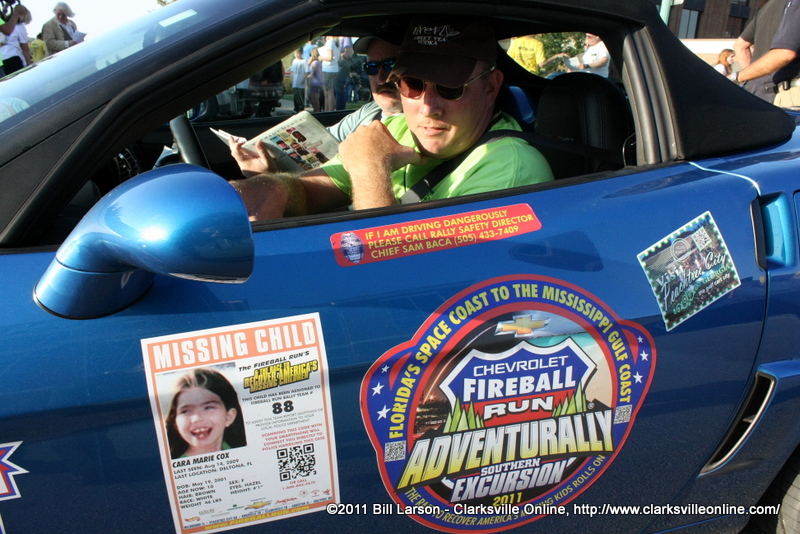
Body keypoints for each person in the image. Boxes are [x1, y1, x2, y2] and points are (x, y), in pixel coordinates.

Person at [228, 18, 553, 220]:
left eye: (450, 88)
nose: (427, 107)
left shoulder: (509, 171)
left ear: (490, 87)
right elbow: (310, 192)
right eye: (412, 85)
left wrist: (370, 167)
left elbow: (399, 277)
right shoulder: (397, 127)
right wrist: (272, 189)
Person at [325, 21, 405, 142]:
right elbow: (324, 138)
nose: (381, 79)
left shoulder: (425, 127)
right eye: (372, 67)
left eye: (391, 66)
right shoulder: (371, 110)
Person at [165, 367, 247, 459]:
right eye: (186, 411)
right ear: (175, 423)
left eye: (208, 408)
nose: (197, 418)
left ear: (229, 417)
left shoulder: (242, 453)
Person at [733, 0, 800, 108]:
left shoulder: (767, 8)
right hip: (786, 93)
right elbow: (784, 53)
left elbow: (740, 45)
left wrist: (747, 76)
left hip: (758, 90)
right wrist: (741, 76)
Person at [1, 5, 31, 75]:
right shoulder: (19, 27)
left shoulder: (3, 26)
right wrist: (29, 64)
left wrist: (5, 6)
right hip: (15, 58)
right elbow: (25, 48)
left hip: (3, 59)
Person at [319, 35, 341, 111]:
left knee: (328, 92)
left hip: (328, 69)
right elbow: (339, 58)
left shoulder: (330, 42)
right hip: (334, 69)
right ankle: (327, 110)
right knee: (328, 91)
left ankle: (329, 110)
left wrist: (321, 58)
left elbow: (330, 57)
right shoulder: (336, 43)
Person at [289, 47, 308, 113]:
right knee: (296, 95)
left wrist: (303, 79)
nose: (297, 55)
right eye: (296, 53)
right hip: (295, 81)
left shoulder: (304, 61)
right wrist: (291, 80)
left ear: (301, 53)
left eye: (298, 53)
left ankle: (301, 108)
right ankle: (296, 108)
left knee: (300, 95)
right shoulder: (294, 61)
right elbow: (293, 71)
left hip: (301, 81)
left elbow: (307, 71)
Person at [307, 46, 323, 112]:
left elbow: (313, 73)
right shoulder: (318, 62)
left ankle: (317, 110)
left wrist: (308, 79)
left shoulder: (315, 63)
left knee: (314, 97)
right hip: (318, 82)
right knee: (313, 97)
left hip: (315, 82)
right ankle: (316, 109)